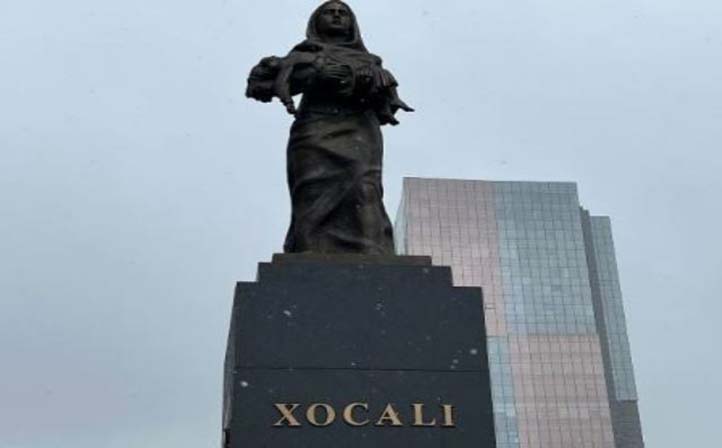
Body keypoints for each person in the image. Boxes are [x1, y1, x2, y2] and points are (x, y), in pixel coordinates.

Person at [247, 1, 413, 254]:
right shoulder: (301, 55)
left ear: (352, 24)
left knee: (363, 187)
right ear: (316, 21)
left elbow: (386, 103)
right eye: (329, 12)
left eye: (342, 13)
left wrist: (368, 83)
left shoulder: (370, 61)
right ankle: (309, 254)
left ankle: (372, 254)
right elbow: (258, 88)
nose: (336, 16)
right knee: (311, 192)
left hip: (359, 129)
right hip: (314, 130)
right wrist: (315, 75)